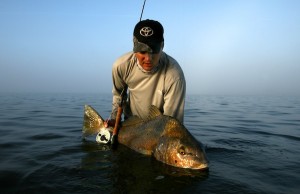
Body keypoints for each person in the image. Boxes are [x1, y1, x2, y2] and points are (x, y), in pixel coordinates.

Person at [105, 19, 186, 127]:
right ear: (134, 47)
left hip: (158, 130)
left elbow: (171, 126)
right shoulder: (121, 66)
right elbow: (118, 94)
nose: (148, 58)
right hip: (129, 125)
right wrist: (115, 119)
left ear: (162, 45)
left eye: (154, 51)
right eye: (142, 51)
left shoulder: (175, 76)